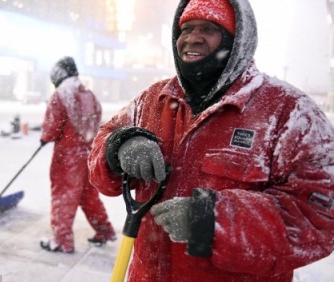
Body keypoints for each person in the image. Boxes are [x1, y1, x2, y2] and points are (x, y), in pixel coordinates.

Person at [88, 0, 334, 281]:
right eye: (187, 29)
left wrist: (213, 220)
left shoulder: (289, 112)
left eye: (208, 28)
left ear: (235, 40)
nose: (193, 38)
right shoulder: (154, 100)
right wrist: (118, 147)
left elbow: (319, 217)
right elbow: (101, 146)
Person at [40, 56, 116, 254]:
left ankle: (62, 240)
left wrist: (45, 137)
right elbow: (96, 120)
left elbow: (52, 127)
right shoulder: (89, 94)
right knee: (88, 196)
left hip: (67, 157)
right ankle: (105, 231)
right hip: (89, 154)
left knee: (64, 196)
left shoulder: (61, 94)